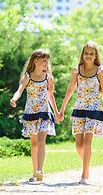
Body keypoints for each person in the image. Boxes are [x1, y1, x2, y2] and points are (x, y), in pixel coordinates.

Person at [60, 41, 103, 185]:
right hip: (79, 109)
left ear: (96, 56)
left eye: (91, 53)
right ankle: (87, 167)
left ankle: (84, 175)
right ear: (82, 54)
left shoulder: (100, 71)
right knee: (78, 146)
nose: (88, 56)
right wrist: (62, 107)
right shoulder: (76, 69)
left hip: (94, 110)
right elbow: (71, 89)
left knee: (87, 143)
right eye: (86, 53)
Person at [10, 49, 61, 182]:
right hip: (31, 113)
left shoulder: (48, 78)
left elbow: (50, 96)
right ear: (36, 61)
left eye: (47, 61)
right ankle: (35, 173)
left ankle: (40, 170)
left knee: (41, 141)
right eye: (44, 60)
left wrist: (56, 112)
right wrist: (14, 99)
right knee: (34, 144)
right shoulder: (27, 76)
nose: (46, 63)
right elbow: (20, 90)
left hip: (44, 112)